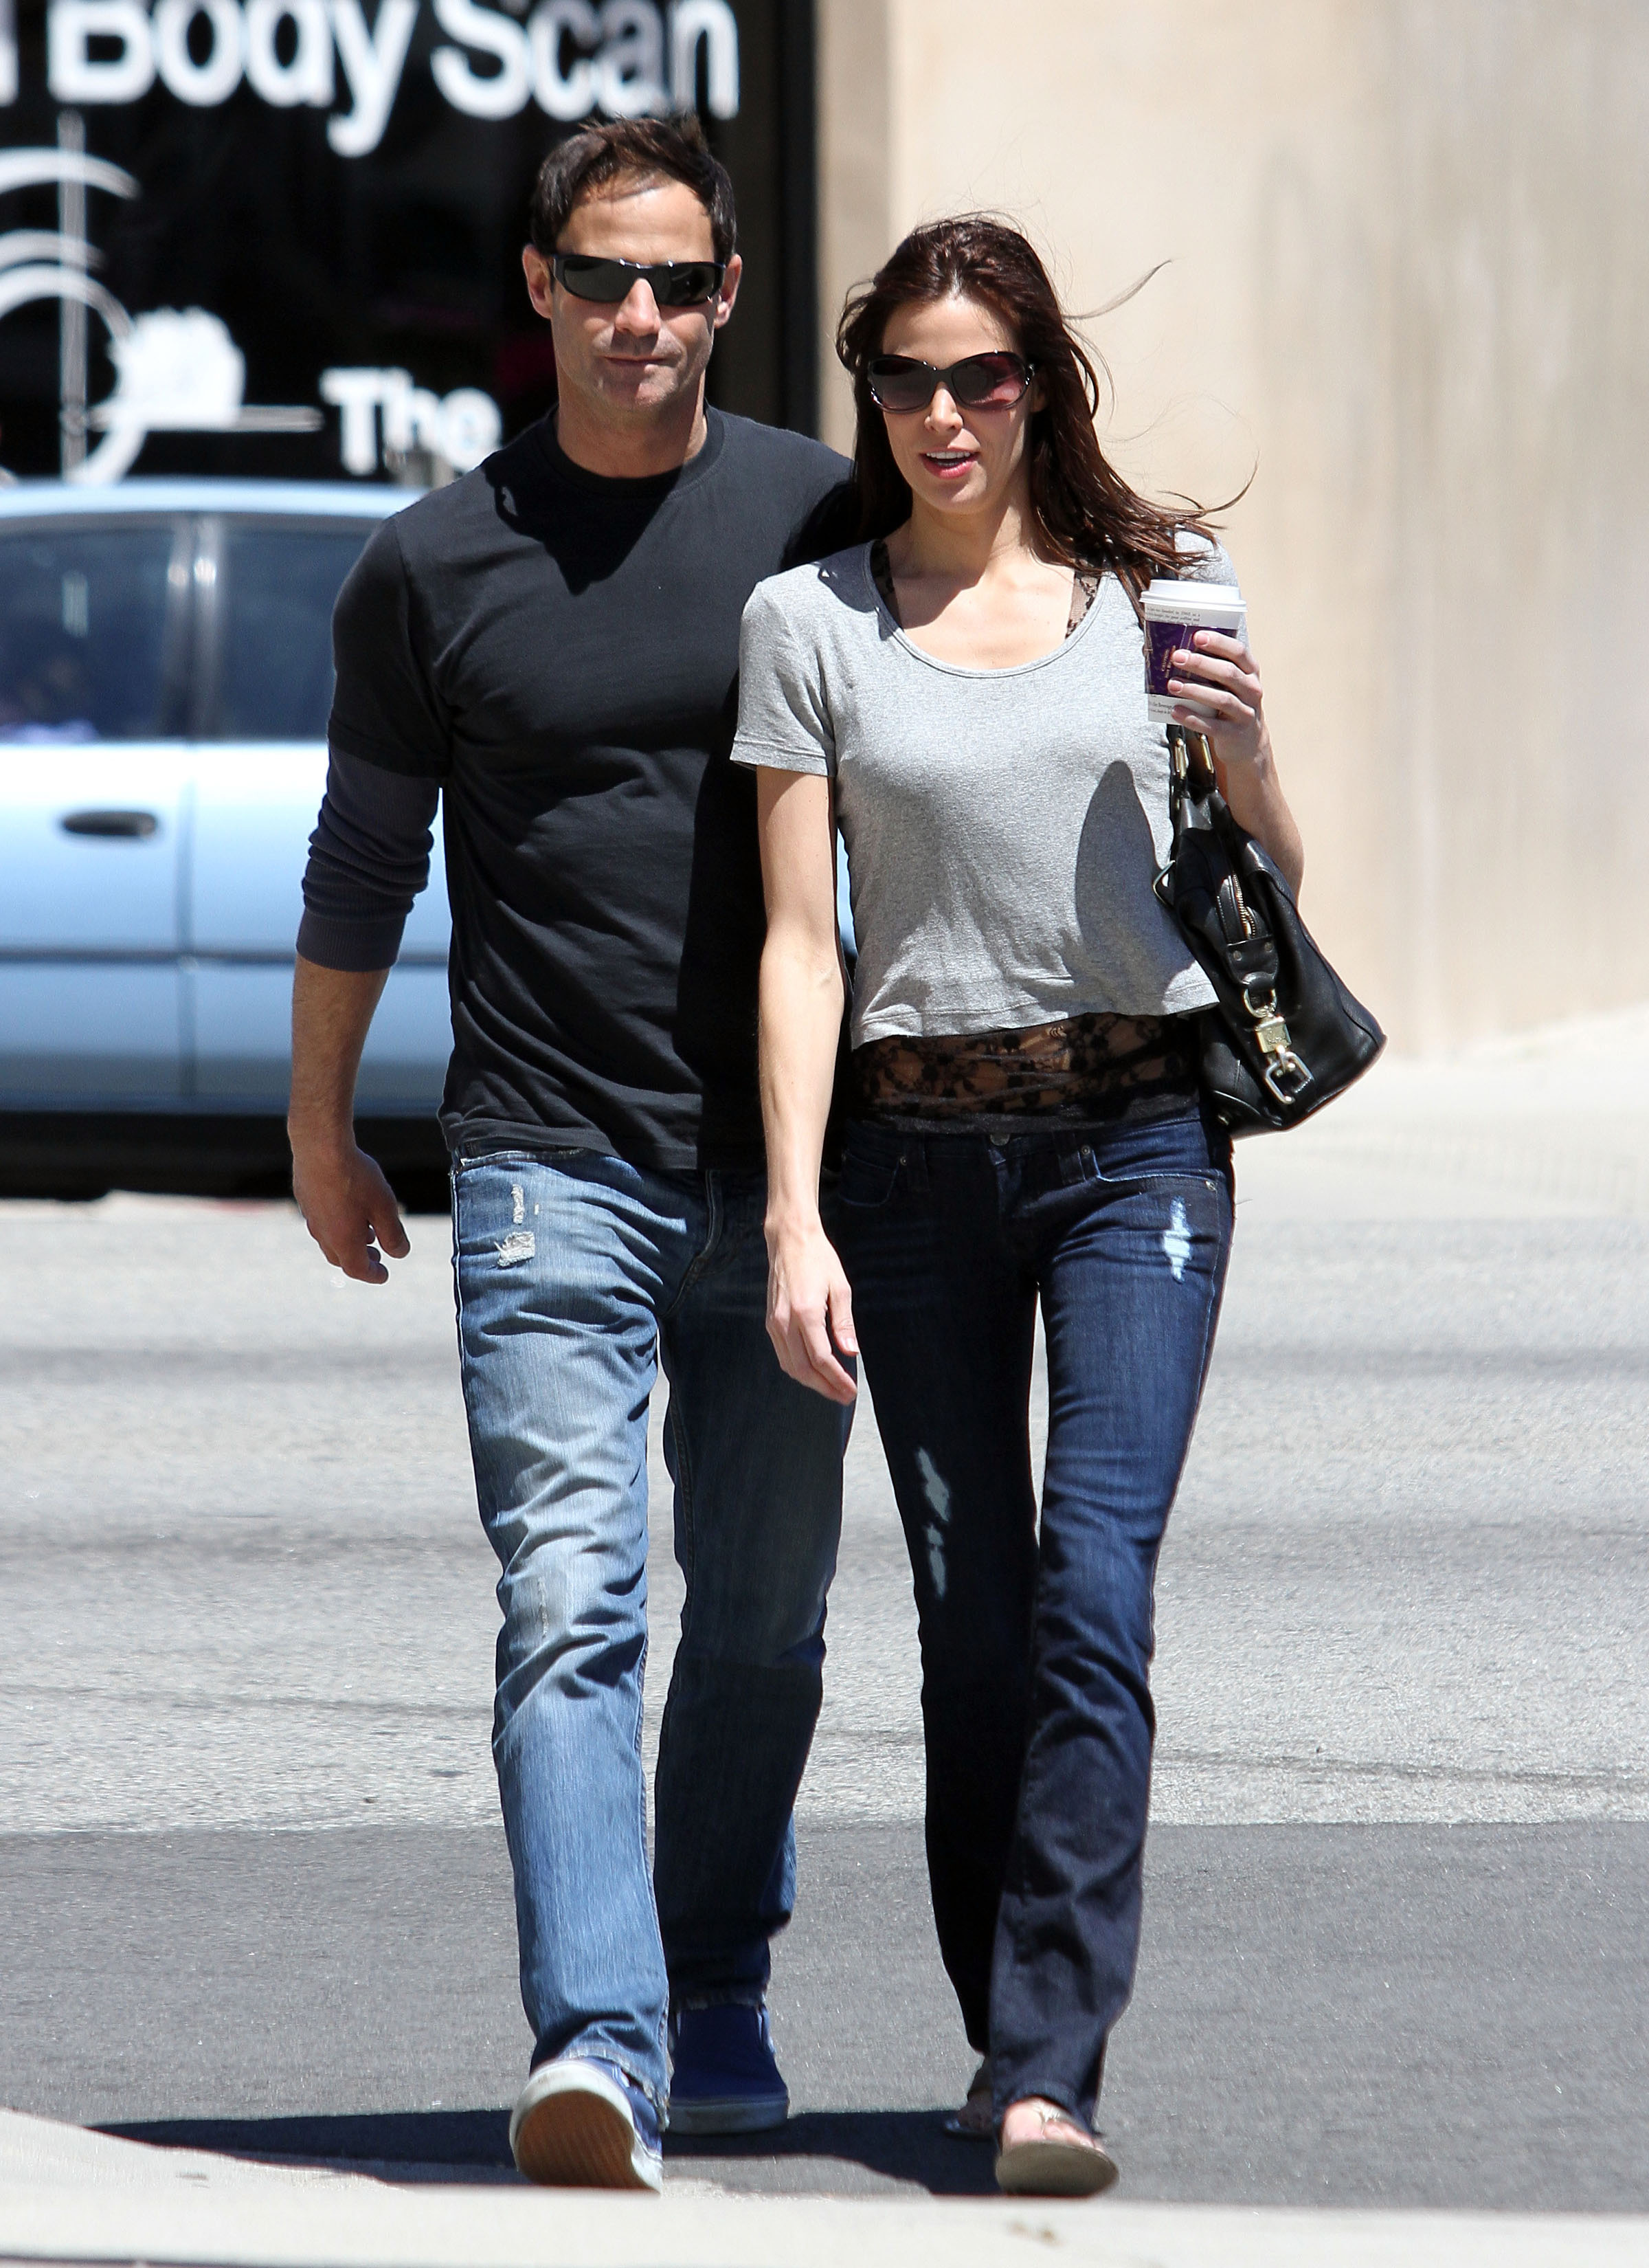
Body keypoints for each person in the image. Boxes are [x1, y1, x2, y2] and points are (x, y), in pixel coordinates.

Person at [288, 114, 854, 2195]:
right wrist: (320, 1125)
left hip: (787, 1170)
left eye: (678, 281)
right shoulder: (433, 562)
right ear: (538, 289)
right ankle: (601, 2040)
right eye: (602, 276)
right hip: (546, 1158)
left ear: (726, 295)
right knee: (570, 1595)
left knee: (768, 1616)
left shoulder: (818, 512)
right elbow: (363, 861)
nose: (641, 315)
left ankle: (715, 1977)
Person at [734, 215, 1304, 2197]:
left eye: (981, 374)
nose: (945, 413)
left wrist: (1246, 751)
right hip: (910, 1168)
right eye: (905, 378)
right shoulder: (809, 623)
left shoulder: (1156, 588)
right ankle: (1006, 2031)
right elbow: (800, 944)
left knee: (1093, 1590)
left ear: (1042, 382)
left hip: (1137, 1147)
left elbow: (1262, 879)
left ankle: (1052, 2064)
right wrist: (795, 1215)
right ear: (871, 397)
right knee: (974, 1629)